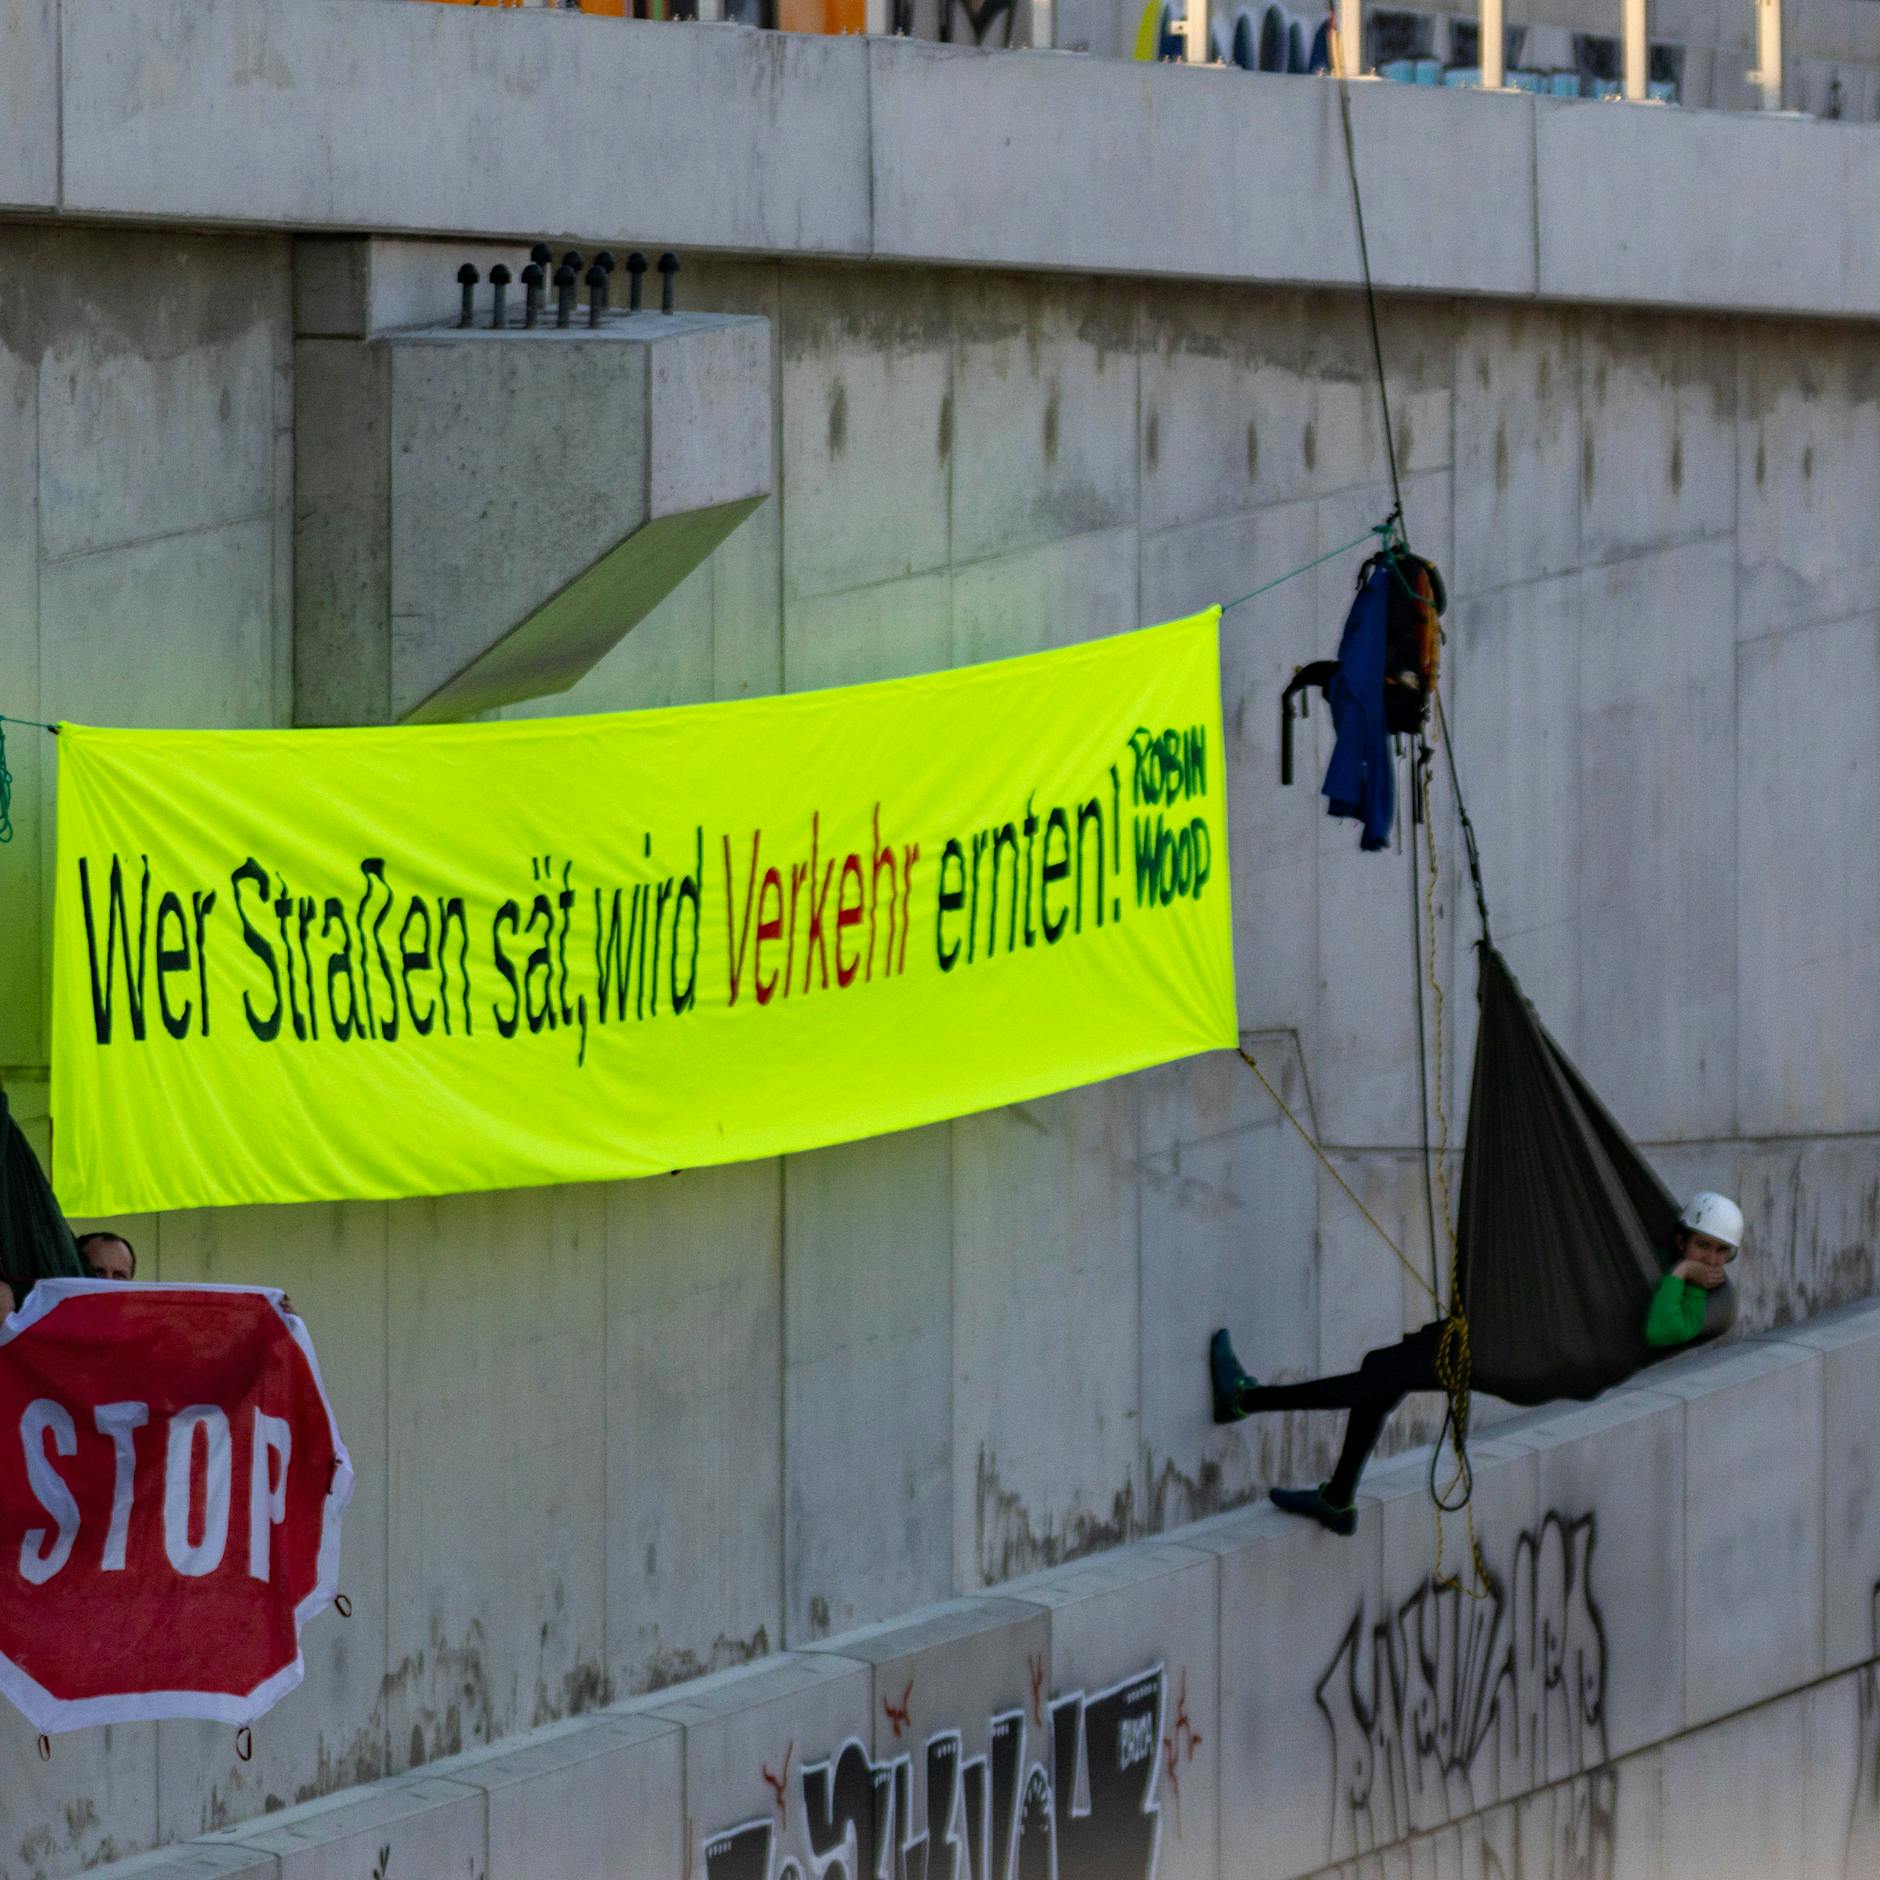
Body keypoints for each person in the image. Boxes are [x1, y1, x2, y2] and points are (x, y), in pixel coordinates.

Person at [1209, 1191, 1745, 1536]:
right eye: (1704, 1246)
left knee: (1378, 1377)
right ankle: (1338, 1498)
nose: (1711, 1260)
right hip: (1524, 1340)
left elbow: (1659, 1329)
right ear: (1682, 1237)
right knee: (1383, 1371)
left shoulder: (1697, 1300)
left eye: (1721, 1253)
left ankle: (1245, 1400)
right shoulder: (1673, 1265)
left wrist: (1682, 1274)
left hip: (1524, 1358)